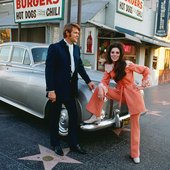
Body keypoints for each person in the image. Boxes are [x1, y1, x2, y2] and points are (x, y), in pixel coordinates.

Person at [84, 42, 151, 163]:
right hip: (119, 93)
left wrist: (144, 81)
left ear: (121, 54)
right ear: (109, 53)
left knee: (135, 125)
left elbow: (145, 70)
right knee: (100, 87)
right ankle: (97, 115)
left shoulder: (128, 64)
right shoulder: (109, 66)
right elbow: (104, 81)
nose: (115, 54)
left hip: (133, 94)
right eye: (112, 52)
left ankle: (135, 154)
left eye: (117, 52)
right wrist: (103, 87)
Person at [45, 23, 95, 156]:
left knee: (74, 116)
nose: (78, 35)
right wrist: (50, 89)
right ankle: (55, 144)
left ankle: (73, 144)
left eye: (78, 33)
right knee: (54, 117)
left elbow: (80, 67)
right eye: (75, 33)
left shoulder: (77, 49)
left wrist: (88, 81)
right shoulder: (55, 48)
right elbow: (49, 70)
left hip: (71, 90)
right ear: (67, 33)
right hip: (57, 89)